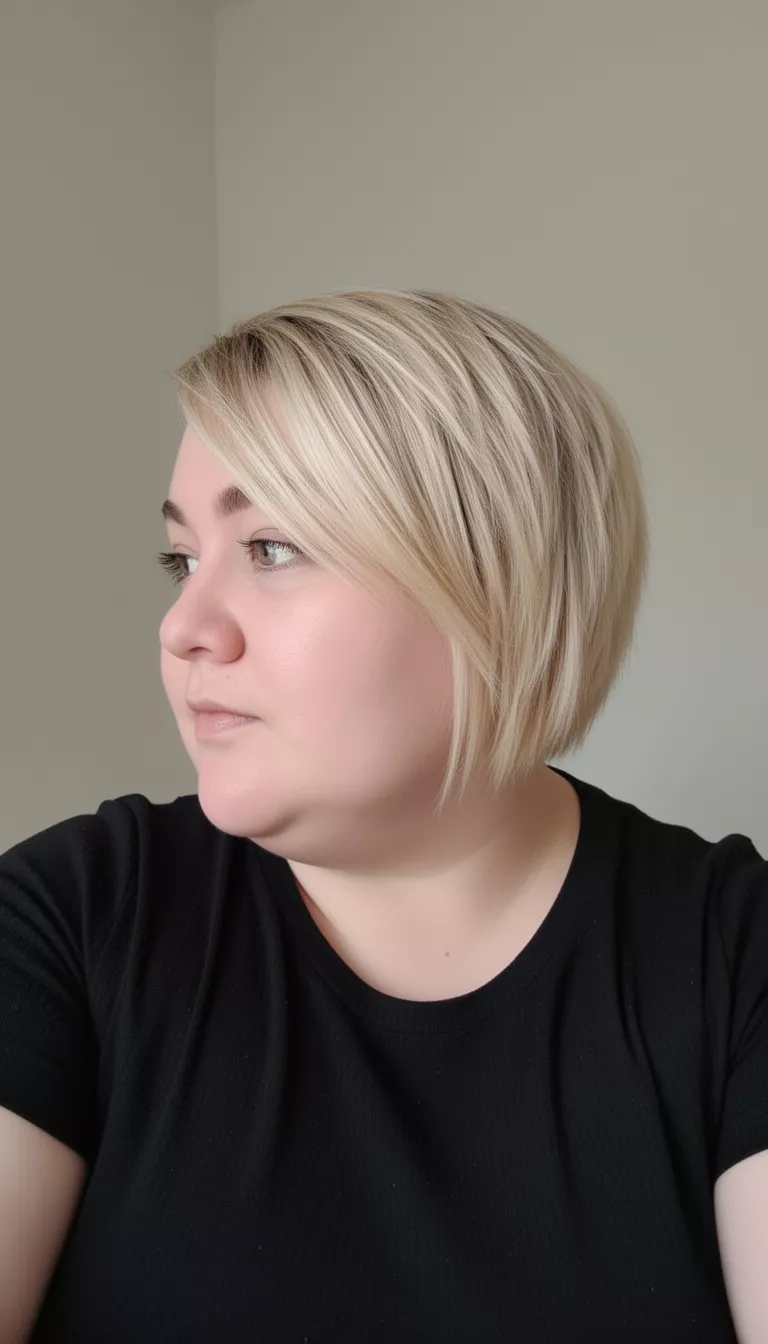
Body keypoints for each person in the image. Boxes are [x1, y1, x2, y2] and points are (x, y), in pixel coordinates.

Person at [0, 289, 765, 1344]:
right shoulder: (72, 917)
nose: (184, 626)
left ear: (498, 580)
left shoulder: (736, 952)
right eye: (180, 560)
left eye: (269, 548)